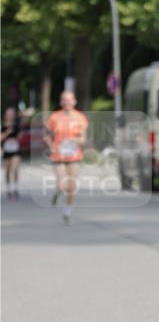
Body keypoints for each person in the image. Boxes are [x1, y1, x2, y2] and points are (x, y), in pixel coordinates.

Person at [44, 90, 89, 223]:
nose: (67, 102)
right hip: (58, 155)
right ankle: (57, 193)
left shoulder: (80, 118)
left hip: (74, 155)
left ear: (74, 101)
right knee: (62, 184)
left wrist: (74, 140)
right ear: (61, 101)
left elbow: (83, 140)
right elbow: (46, 135)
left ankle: (67, 211)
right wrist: (51, 145)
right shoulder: (54, 117)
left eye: (69, 100)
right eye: (64, 99)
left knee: (72, 186)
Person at [1, 106, 22, 199]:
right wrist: (7, 133)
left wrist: (16, 137)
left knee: (14, 169)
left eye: (12, 114)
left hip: (16, 150)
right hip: (6, 151)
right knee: (7, 171)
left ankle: (15, 188)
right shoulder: (2, 126)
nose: (10, 116)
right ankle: (9, 188)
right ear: (5, 115)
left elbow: (20, 137)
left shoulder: (17, 125)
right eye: (8, 114)